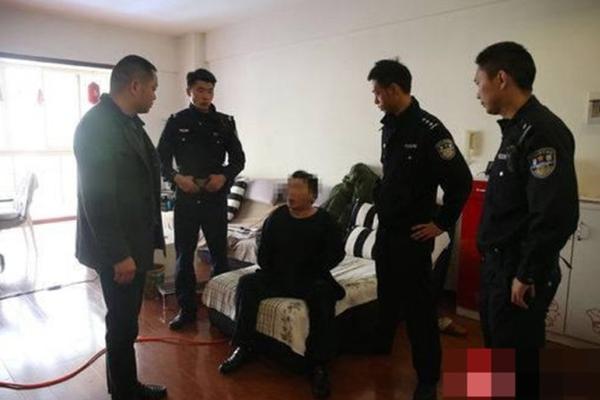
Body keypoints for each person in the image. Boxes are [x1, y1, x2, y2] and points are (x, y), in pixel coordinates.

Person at [367, 59, 473, 400]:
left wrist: (441, 224)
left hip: (412, 236)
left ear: (394, 89)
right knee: (386, 295)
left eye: (377, 93)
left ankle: (427, 376)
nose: (375, 100)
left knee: (419, 310)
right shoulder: (389, 125)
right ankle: (381, 346)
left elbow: (461, 182)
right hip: (387, 230)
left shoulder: (430, 130)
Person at [474, 41, 579, 349]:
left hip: (518, 271)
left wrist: (527, 274)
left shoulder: (542, 131)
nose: (477, 93)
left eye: (479, 83)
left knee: (515, 359)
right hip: (498, 266)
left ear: (501, 79)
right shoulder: (515, 130)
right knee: (494, 351)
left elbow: (554, 213)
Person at [74, 55, 167, 400]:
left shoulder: (129, 123)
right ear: (135, 85)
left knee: (126, 321)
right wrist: (119, 255)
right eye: (153, 88)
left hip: (134, 242)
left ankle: (124, 387)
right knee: (122, 322)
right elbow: (96, 199)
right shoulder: (97, 127)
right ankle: (126, 392)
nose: (155, 95)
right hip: (118, 248)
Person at [219, 170, 345, 399]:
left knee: (324, 296)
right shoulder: (277, 217)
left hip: (310, 279)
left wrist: (313, 268)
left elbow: (336, 253)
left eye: (297, 188)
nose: (290, 192)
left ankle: (318, 365)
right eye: (289, 187)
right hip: (277, 277)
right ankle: (244, 346)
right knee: (247, 284)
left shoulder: (325, 221)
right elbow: (264, 253)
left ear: (312, 195)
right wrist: (274, 268)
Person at [157, 68, 246, 330]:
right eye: (200, 90)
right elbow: (160, 159)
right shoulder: (177, 121)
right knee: (184, 257)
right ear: (189, 91)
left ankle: (221, 310)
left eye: (210, 91)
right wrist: (176, 178)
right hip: (186, 197)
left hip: (214, 197)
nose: (206, 96)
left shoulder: (225, 122)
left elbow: (238, 159)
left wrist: (224, 176)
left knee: (219, 256)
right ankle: (186, 310)